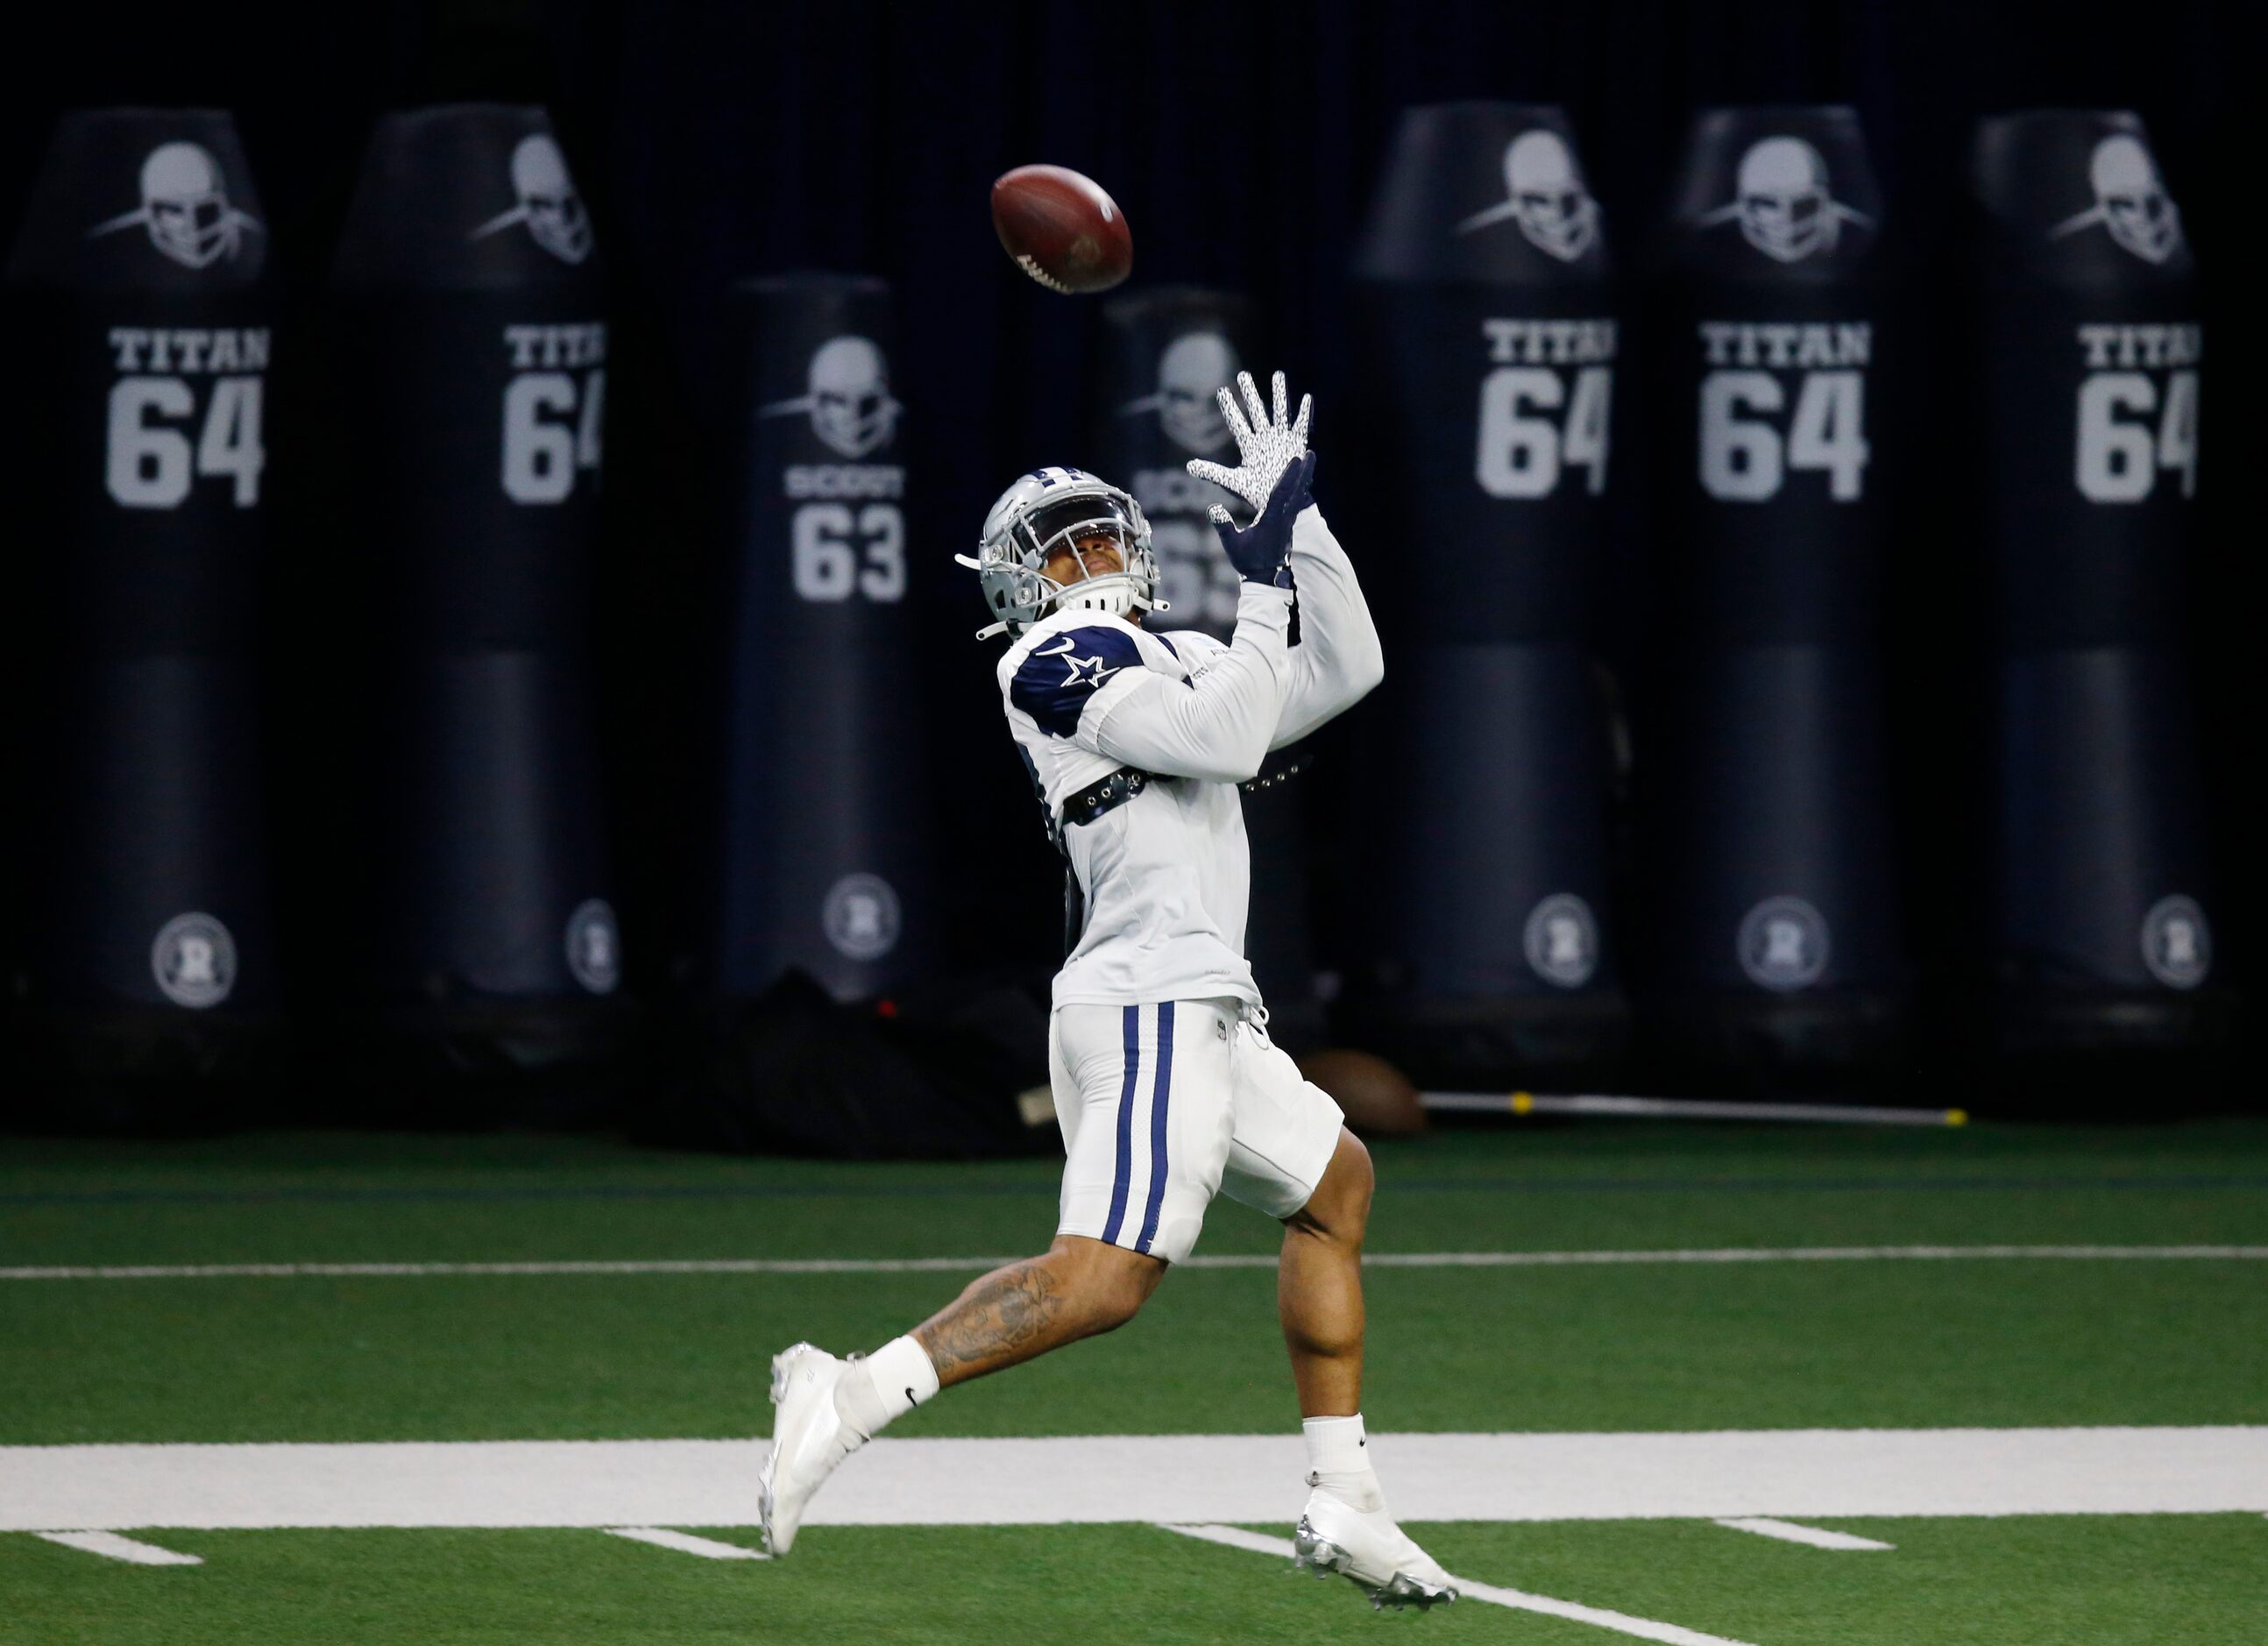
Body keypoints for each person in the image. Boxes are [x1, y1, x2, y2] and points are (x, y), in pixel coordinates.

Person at [761, 372, 1454, 1610]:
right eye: (1057, 545)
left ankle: (1344, 1492)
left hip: (1201, 997)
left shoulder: (1183, 649)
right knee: (1104, 1276)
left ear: (1133, 544)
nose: (1083, 556)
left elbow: (1349, 669)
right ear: (1017, 585)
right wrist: (1256, 591)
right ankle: (848, 1391)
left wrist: (1300, 527)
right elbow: (1230, 739)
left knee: (1334, 1184)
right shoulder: (1050, 655)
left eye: (1096, 531)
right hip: (1142, 1000)